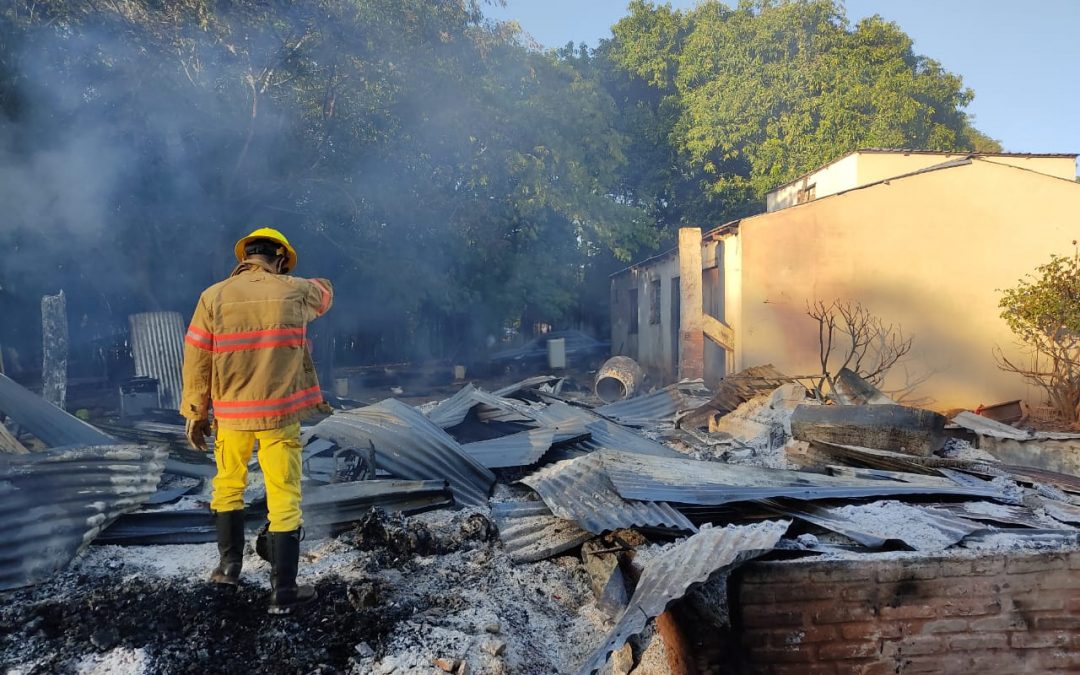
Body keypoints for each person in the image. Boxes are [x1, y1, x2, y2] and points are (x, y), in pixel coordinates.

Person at [180, 227, 333, 615]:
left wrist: (196, 413)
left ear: (244, 257)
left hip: (230, 416)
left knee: (228, 485)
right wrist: (289, 280)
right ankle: (283, 590)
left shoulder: (212, 297)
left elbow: (197, 358)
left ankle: (228, 568)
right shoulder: (296, 290)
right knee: (284, 495)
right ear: (279, 259)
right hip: (279, 416)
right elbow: (325, 292)